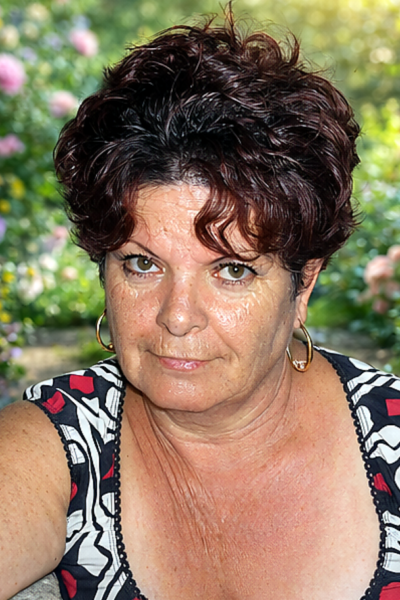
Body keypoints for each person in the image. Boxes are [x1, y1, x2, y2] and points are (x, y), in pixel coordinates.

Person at [3, 8, 400, 600]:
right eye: (142, 264)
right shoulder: (58, 445)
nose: (178, 316)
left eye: (232, 270)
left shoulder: (390, 441)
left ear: (303, 286)